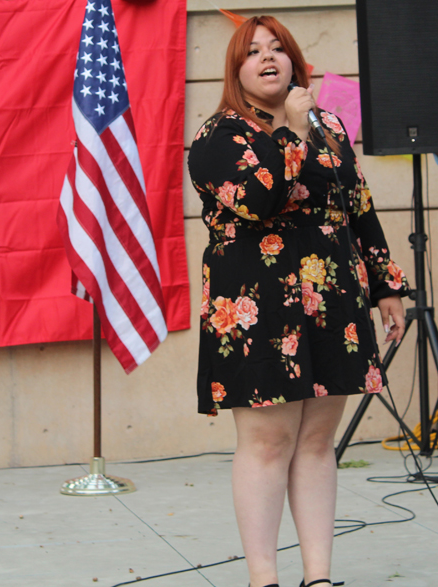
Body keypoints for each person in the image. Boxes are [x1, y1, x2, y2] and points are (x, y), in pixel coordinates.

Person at [188, 15, 410, 587]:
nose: (268, 58)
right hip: (257, 306)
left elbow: (357, 205)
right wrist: (291, 132)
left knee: (315, 440)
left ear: (293, 60)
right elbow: (262, 200)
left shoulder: (330, 125)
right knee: (268, 441)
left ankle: (319, 576)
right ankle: (264, 578)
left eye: (277, 48)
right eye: (252, 51)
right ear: (236, 70)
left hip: (332, 296)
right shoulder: (217, 138)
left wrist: (386, 285)